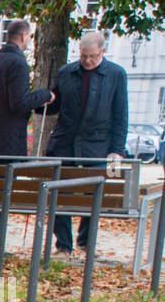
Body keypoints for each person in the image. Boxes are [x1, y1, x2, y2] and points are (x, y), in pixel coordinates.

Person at [0, 20, 54, 249]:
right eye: (30, 37)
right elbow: (20, 103)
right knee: (2, 192)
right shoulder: (18, 64)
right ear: (24, 36)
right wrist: (44, 95)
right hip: (9, 143)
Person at [45, 32, 129, 256]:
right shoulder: (66, 72)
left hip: (98, 144)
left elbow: (121, 114)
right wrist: (43, 100)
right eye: (84, 56)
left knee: (94, 195)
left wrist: (117, 150)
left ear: (102, 52)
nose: (88, 61)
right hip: (65, 142)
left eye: (92, 56)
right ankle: (63, 245)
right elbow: (55, 106)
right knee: (60, 193)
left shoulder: (116, 75)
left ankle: (85, 242)